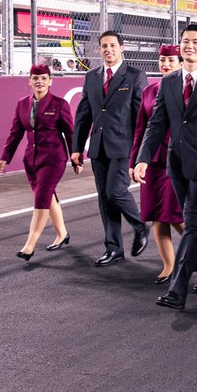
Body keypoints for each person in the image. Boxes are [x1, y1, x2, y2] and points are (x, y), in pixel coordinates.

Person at [135, 23, 197, 310]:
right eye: (184, 41)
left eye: (194, 41)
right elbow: (156, 124)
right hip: (175, 165)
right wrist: (143, 158)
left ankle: (178, 289)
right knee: (195, 221)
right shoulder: (168, 82)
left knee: (191, 222)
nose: (188, 45)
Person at [72, 30, 149, 266]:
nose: (108, 50)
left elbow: (141, 118)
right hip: (98, 148)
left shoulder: (135, 76)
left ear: (122, 47)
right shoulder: (92, 77)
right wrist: (76, 148)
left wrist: (139, 154)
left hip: (124, 146)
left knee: (115, 192)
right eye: (104, 46)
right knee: (105, 199)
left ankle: (140, 226)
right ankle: (114, 248)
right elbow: (83, 115)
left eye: (113, 46)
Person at [0, 64, 75, 261]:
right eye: (35, 78)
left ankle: (29, 245)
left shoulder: (60, 104)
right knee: (48, 198)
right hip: (31, 160)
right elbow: (15, 133)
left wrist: (77, 157)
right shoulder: (22, 104)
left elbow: (70, 133)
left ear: (50, 81)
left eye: (43, 78)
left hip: (54, 159)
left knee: (41, 198)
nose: (39, 81)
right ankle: (62, 234)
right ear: (29, 81)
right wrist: (5, 156)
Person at [130, 45, 186, 284]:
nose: (166, 64)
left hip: (177, 162)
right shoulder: (149, 92)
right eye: (162, 60)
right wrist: (135, 161)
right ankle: (168, 266)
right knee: (156, 216)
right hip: (152, 163)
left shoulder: (188, 90)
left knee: (177, 217)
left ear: (181, 63)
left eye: (171, 60)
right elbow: (141, 130)